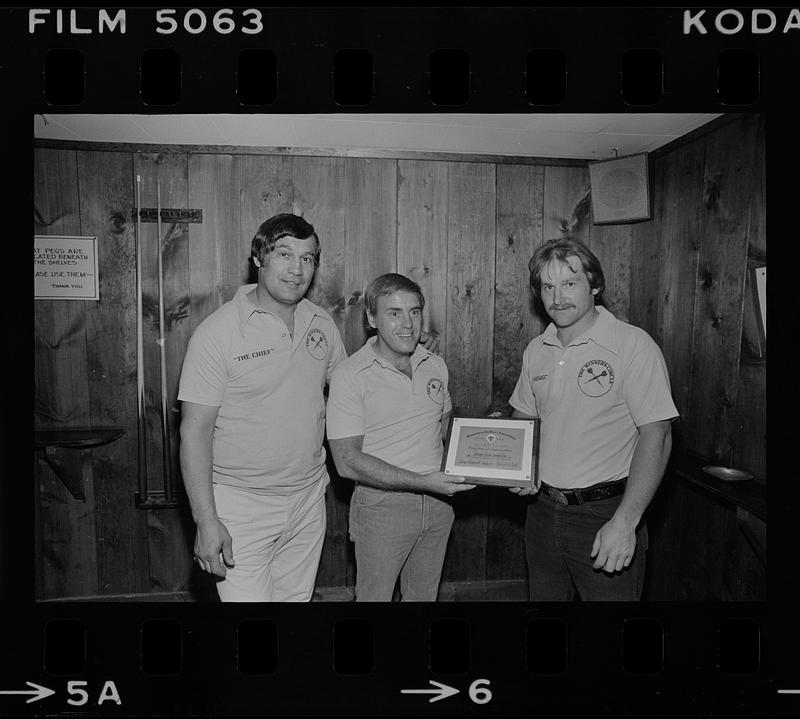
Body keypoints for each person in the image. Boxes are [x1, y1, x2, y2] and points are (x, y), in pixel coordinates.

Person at [177, 213, 348, 601]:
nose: (297, 269)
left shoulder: (321, 322)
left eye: (308, 258)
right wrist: (206, 521)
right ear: (259, 258)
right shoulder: (217, 333)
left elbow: (348, 392)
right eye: (284, 253)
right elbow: (194, 431)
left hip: (307, 500)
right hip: (241, 507)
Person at [508, 238, 678, 601]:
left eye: (570, 283)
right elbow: (523, 420)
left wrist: (626, 521)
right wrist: (515, 469)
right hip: (541, 511)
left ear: (595, 285)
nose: (558, 297)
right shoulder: (537, 349)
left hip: (606, 513)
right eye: (547, 287)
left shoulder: (633, 345)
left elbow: (657, 435)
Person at [326, 273, 476, 601]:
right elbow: (347, 462)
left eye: (414, 311)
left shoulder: (434, 364)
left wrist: (492, 443)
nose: (407, 324)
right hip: (382, 508)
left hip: (439, 505)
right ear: (371, 318)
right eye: (394, 313)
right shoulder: (350, 375)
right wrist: (425, 482)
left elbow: (445, 429)